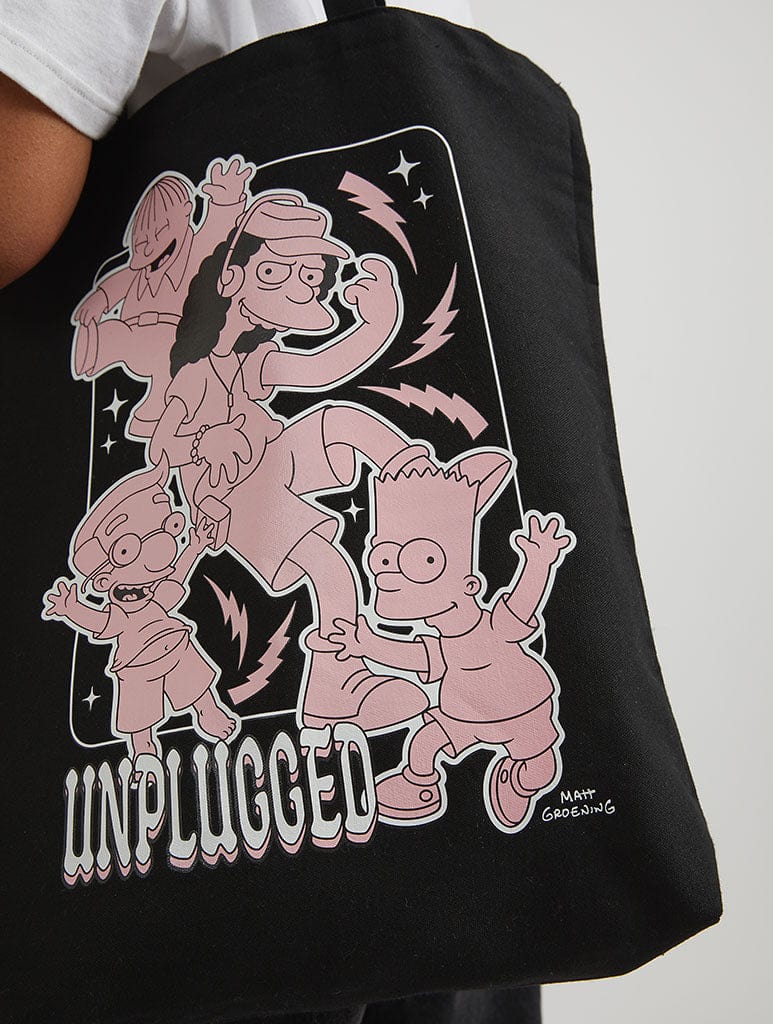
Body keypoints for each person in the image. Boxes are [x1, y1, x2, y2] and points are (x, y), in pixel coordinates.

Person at [0, 3, 542, 1023]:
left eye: (312, 275)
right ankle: (344, 657)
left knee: (346, 431)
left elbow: (11, 214)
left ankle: (396, 519)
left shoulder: (241, 355)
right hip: (230, 491)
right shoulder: (202, 352)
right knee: (331, 557)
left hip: (220, 898)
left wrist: (370, 315)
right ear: (243, 278)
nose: (304, 289)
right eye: (286, 274)